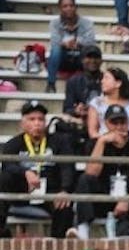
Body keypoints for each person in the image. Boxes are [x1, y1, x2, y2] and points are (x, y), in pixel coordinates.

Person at [77, 101, 129, 235]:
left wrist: (128, 199)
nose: (119, 127)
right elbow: (91, 173)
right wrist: (101, 142)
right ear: (106, 124)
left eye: (123, 122)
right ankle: (82, 231)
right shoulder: (96, 144)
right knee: (84, 180)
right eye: (114, 123)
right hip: (104, 198)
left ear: (128, 122)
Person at [0, 100, 77, 239]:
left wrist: (64, 189)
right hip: (23, 191)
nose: (37, 123)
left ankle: (56, 246)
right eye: (32, 119)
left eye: (40, 119)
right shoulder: (13, 143)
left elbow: (67, 166)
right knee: (3, 179)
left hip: (50, 191)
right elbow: (7, 165)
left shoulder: (59, 141)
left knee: (64, 205)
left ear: (46, 122)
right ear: (22, 124)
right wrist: (25, 172)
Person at [46, 0, 95, 93]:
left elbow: (91, 41)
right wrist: (65, 44)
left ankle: (91, 85)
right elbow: (55, 41)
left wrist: (78, 42)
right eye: (65, 6)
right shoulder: (54, 23)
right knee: (55, 50)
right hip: (63, 58)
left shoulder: (87, 23)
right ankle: (51, 84)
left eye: (71, 6)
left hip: (80, 57)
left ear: (76, 7)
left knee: (92, 51)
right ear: (60, 8)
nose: (68, 9)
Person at [86, 67, 129, 141]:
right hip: (104, 143)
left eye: (106, 78)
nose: (102, 81)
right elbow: (93, 133)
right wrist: (109, 139)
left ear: (118, 83)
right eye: (103, 78)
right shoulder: (96, 103)